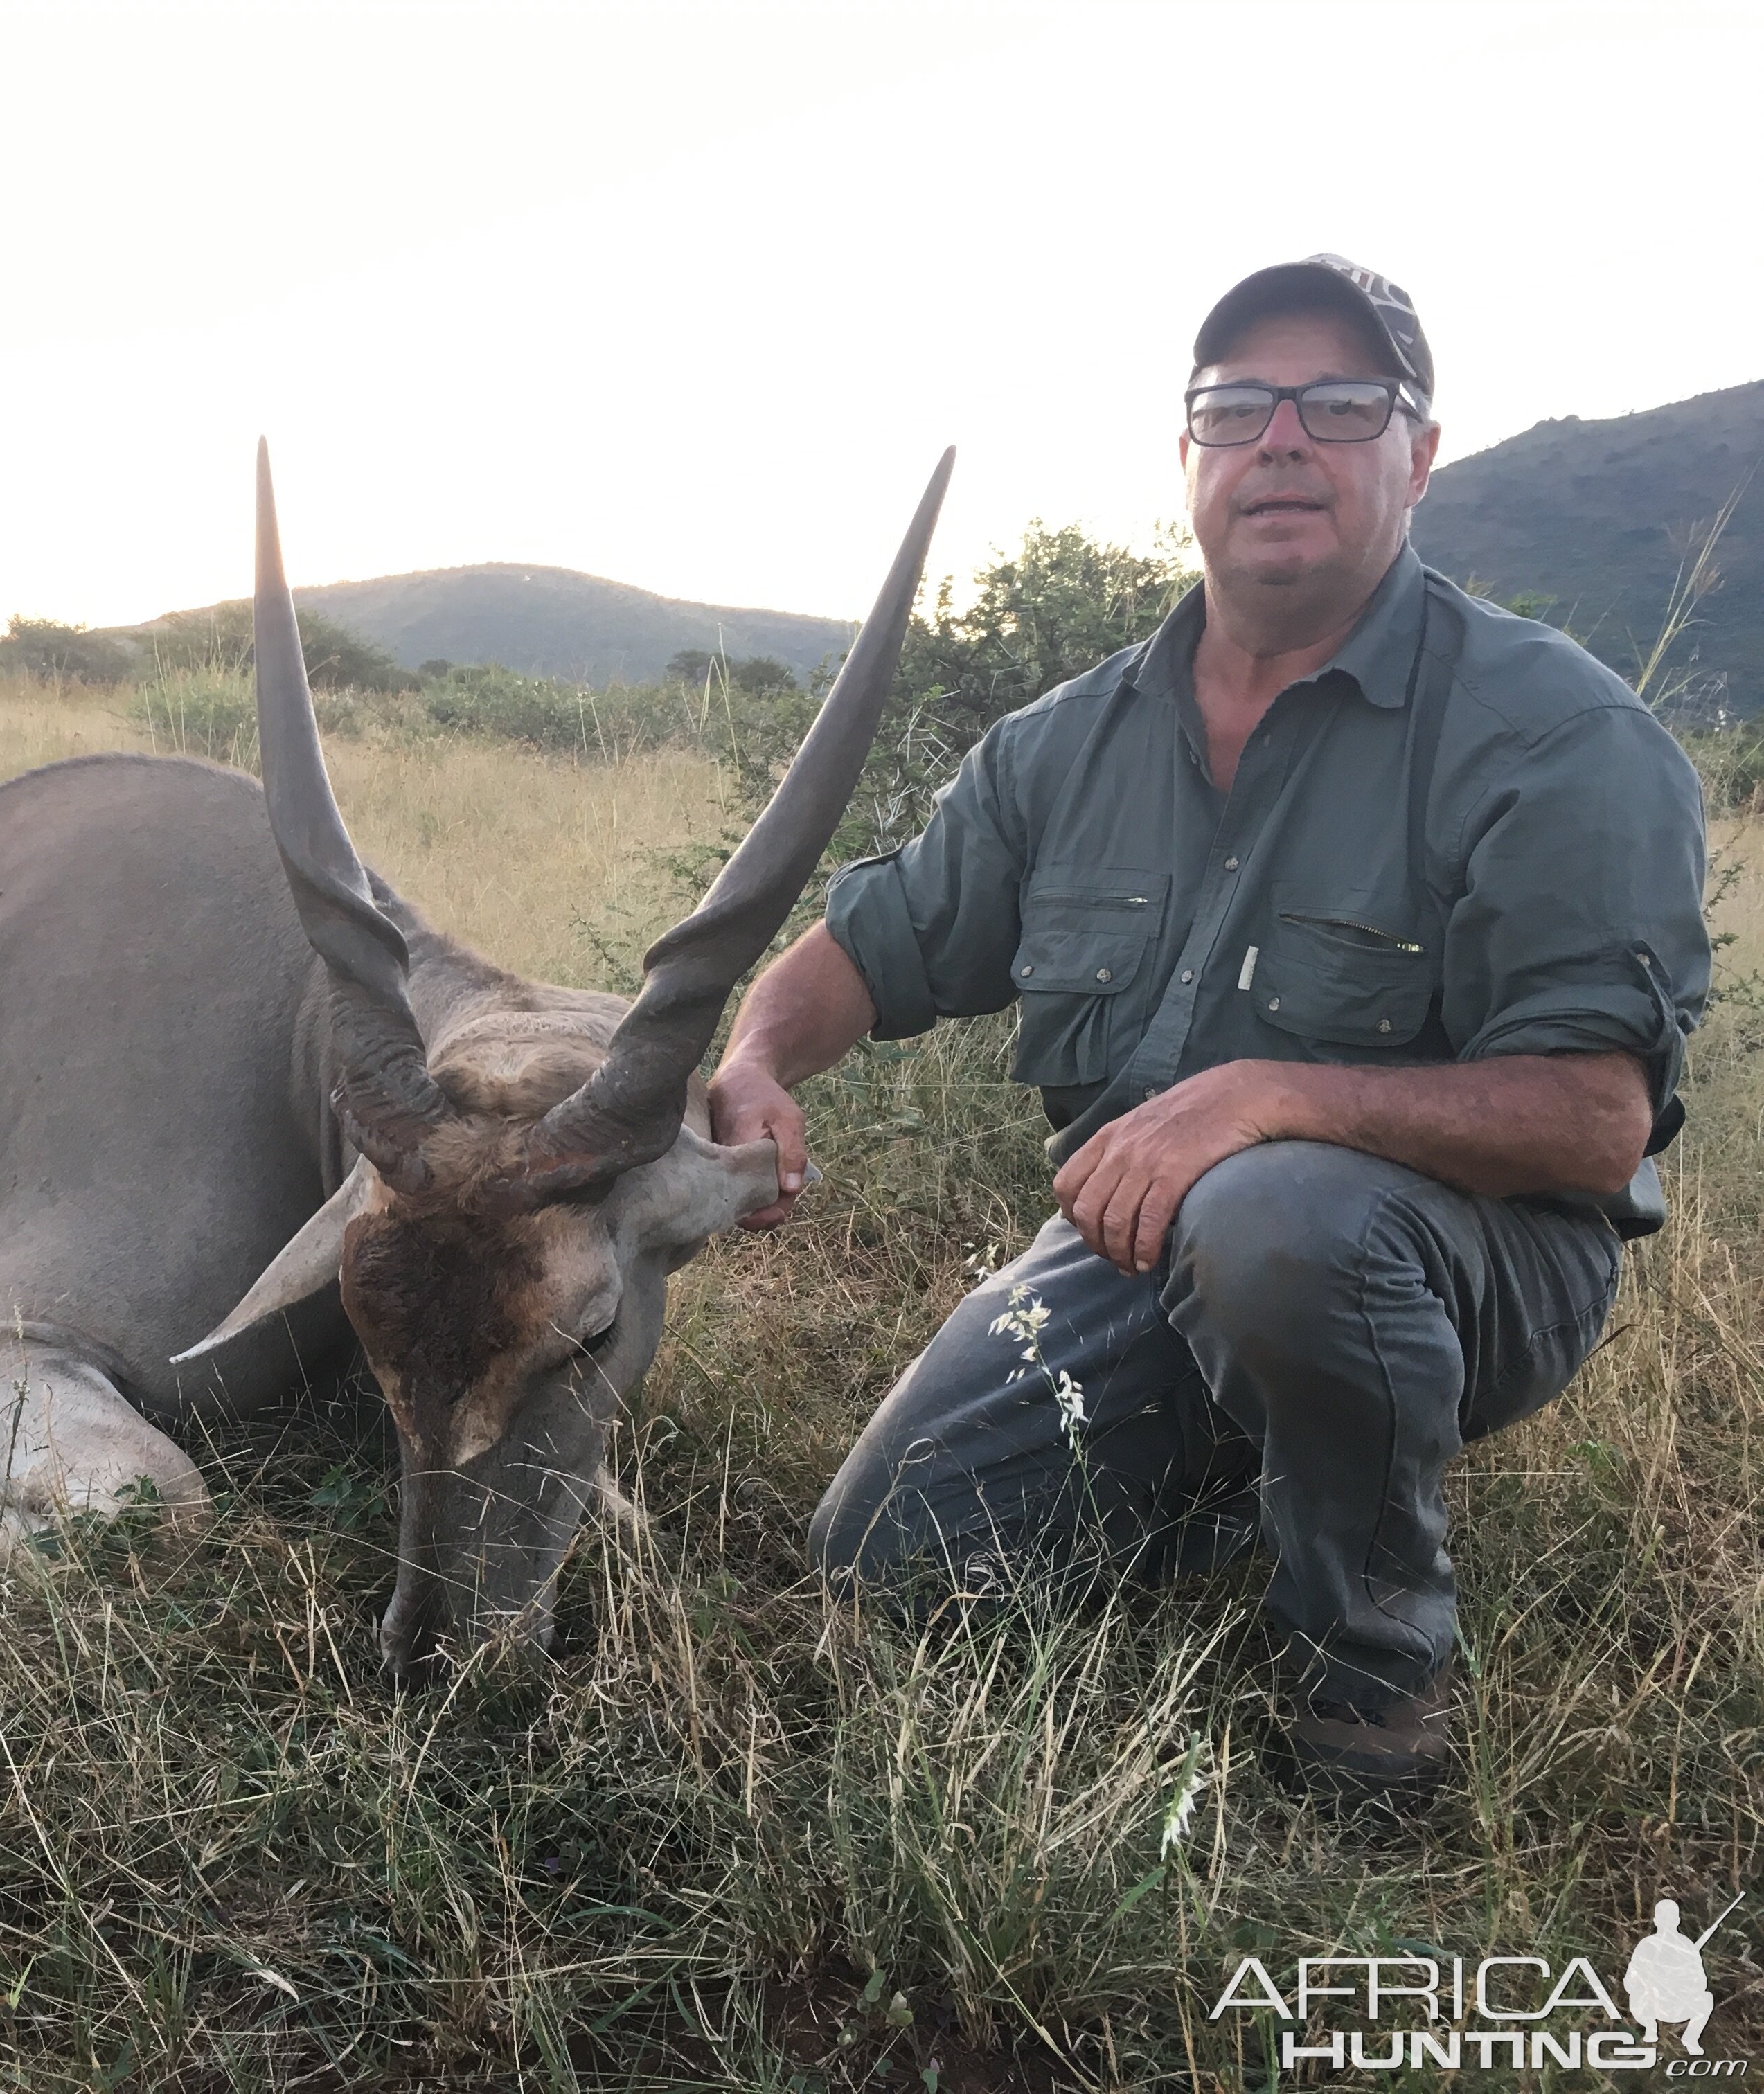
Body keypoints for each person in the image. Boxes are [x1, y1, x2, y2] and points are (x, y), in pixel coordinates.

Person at [708, 256, 1712, 1798]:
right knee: (887, 1560)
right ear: (1187, 457)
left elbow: (1591, 1121)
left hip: (1462, 1262)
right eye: (1236, 407)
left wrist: (1259, 1097)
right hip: (1139, 1248)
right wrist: (759, 1057)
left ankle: (1367, 1693)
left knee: (1278, 1219)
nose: (1284, 440)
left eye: (1342, 404)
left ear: (1419, 455)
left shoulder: (1558, 734)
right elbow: (874, 940)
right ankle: (1263, 1481)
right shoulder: (1065, 742)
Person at [1624, 1899, 1717, 2054]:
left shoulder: (1687, 1946)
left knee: (1706, 1999)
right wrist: (1650, 1983)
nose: (1667, 1923)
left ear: (1677, 1921)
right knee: (1637, 1994)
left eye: (1670, 1918)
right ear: (1656, 1921)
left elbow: (1702, 1983)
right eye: (1664, 1918)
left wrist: (1681, 1982)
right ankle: (1650, 2027)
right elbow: (1630, 1981)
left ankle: (1691, 2038)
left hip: (1680, 2006)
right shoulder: (1647, 1945)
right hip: (1652, 2006)